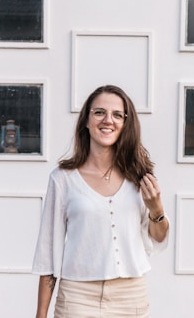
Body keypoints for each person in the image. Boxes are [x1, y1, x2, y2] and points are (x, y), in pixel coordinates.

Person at [32, 85, 169, 318]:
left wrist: (156, 208)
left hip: (130, 296)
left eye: (117, 114)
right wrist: (41, 314)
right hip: (77, 296)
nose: (108, 120)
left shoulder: (140, 177)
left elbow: (158, 237)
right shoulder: (62, 179)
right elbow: (48, 251)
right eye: (99, 112)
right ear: (86, 120)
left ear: (126, 123)